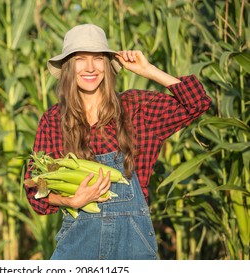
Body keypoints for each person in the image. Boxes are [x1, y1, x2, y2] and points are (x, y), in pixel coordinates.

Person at [24, 23, 212, 260]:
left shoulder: (137, 109)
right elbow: (35, 190)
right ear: (69, 67)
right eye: (81, 59)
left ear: (108, 64)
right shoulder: (53, 120)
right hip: (78, 248)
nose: (90, 67)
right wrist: (71, 200)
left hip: (132, 249)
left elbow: (198, 102)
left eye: (99, 58)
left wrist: (149, 70)